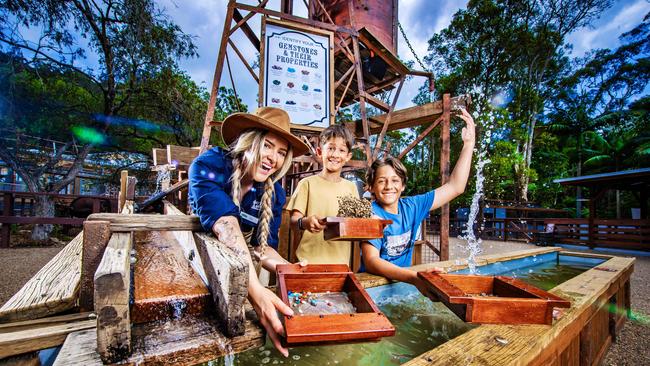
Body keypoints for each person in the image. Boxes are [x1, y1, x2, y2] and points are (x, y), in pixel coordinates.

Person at [188, 107, 309, 357]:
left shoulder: (273, 193)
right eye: (267, 145)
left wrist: (289, 270)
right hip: (198, 268)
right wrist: (257, 293)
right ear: (249, 141)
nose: (273, 158)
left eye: (281, 152)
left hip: (240, 271)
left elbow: (262, 249)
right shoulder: (209, 166)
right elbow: (226, 226)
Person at [361, 108, 476, 295]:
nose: (389, 186)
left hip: (402, 284)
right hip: (373, 287)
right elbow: (372, 261)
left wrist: (469, 144)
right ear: (372, 187)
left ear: (403, 186)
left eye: (395, 180)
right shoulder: (370, 214)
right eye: (381, 181)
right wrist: (415, 277)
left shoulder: (413, 206)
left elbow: (456, 186)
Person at [287, 124, 359, 264]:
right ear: (320, 152)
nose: (335, 154)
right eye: (330, 148)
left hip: (341, 264)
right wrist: (304, 222)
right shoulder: (306, 183)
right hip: (308, 262)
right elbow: (293, 222)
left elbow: (355, 223)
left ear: (348, 156)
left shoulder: (351, 188)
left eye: (342, 150)